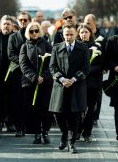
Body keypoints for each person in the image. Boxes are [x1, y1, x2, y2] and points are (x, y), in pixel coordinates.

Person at [49, 22, 90, 153]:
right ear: (62, 34)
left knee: (75, 115)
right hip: (60, 85)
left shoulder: (83, 48)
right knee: (58, 113)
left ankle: (72, 143)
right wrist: (61, 78)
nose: (69, 37)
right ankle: (64, 133)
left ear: (76, 34)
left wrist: (73, 79)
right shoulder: (56, 47)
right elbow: (52, 66)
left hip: (76, 85)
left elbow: (85, 68)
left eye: (71, 34)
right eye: (66, 34)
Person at [19, 22, 53, 144]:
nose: (34, 33)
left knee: (46, 109)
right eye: (31, 31)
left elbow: (52, 63)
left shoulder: (47, 45)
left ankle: (45, 131)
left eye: (36, 31)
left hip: (46, 83)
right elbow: (23, 65)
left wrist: (44, 76)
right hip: (30, 83)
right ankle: (37, 133)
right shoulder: (24, 46)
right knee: (33, 109)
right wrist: (34, 77)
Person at [77, 24, 104, 142]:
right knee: (78, 109)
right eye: (82, 32)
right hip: (78, 83)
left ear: (90, 34)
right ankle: (76, 131)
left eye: (86, 32)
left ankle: (87, 133)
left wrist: (87, 71)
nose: (84, 34)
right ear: (78, 34)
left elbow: (101, 65)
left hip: (93, 83)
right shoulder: (76, 47)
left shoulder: (97, 46)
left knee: (90, 109)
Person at [7, 11, 31, 137]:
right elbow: (10, 54)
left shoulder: (33, 34)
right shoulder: (13, 37)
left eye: (25, 20)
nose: (22, 22)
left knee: (28, 101)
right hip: (17, 73)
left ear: (29, 21)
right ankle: (19, 127)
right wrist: (24, 64)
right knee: (17, 102)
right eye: (20, 20)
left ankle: (28, 126)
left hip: (30, 74)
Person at [83, 14, 106, 125]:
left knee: (97, 94)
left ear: (94, 23)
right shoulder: (83, 34)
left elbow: (106, 53)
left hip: (97, 71)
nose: (86, 24)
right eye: (85, 22)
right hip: (84, 73)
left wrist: (105, 67)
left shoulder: (102, 37)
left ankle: (95, 116)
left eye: (88, 22)